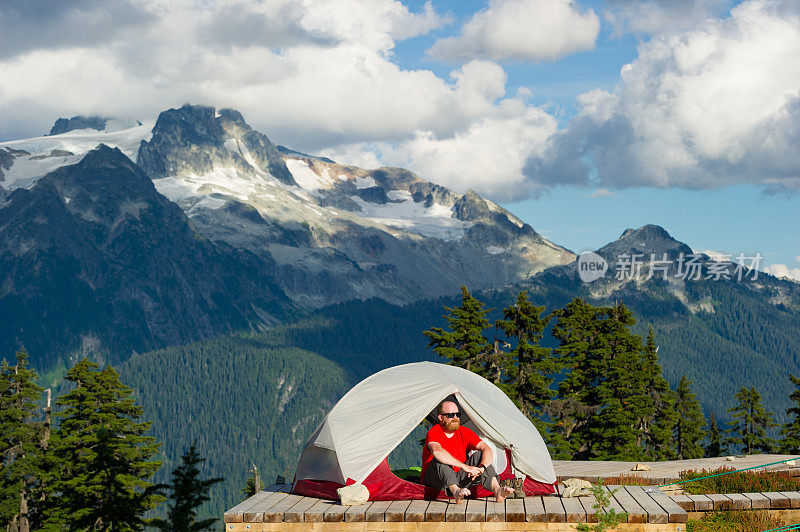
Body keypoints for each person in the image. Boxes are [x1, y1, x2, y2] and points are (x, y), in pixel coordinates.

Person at [421, 400, 515, 503]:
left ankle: (497, 490)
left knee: (480, 455)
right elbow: (437, 451)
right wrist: (464, 466)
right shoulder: (435, 431)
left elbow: (487, 449)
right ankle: (456, 491)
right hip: (436, 480)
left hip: (459, 478)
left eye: (457, 414)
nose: (455, 418)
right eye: (451, 415)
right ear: (440, 417)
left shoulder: (464, 432)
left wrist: (482, 468)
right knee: (439, 460)